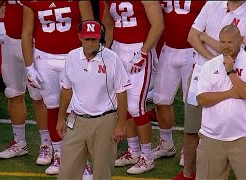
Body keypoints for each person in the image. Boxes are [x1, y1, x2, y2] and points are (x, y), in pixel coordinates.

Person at [21, 0, 94, 175]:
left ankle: (82, 160)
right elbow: (27, 33)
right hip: (44, 57)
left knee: (78, 108)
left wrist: (91, 58)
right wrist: (29, 67)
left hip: (74, 55)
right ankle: (60, 154)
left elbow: (91, 28)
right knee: (52, 106)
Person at [179, 1, 246, 179]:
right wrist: (214, 63)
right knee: (192, 126)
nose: (225, 43)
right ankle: (187, 173)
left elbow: (233, 45)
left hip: (235, 68)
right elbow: (192, 36)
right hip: (202, 71)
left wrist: (206, 38)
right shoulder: (212, 4)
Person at [57, 20, 129, 180]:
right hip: (77, 120)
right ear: (79, 37)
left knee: (102, 173)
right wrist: (61, 117)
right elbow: (66, 90)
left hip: (105, 121)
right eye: (87, 39)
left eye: (94, 39)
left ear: (100, 39)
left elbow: (122, 93)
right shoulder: (71, 57)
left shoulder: (112, 59)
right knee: (67, 172)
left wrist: (120, 125)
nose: (90, 44)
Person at [102, 0, 164, 174]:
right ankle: (134, 151)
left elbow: (158, 25)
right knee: (123, 101)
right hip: (118, 49)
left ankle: (147, 157)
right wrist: (105, 50)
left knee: (136, 106)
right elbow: (109, 23)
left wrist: (144, 52)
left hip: (139, 48)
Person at [0, 1, 52, 166]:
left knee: (39, 97)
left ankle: (46, 144)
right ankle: (20, 142)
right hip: (11, 40)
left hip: (36, 40)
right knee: (13, 92)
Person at [152, 0, 206, 166]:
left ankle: (189, 148)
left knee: (190, 102)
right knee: (160, 100)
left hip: (193, 50)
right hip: (169, 48)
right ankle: (166, 144)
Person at [196, 25, 246, 180]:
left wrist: (231, 71)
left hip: (242, 136)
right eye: (222, 42)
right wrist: (231, 93)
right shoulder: (209, 66)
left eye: (230, 42)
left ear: (241, 41)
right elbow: (202, 99)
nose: (226, 46)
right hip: (211, 137)